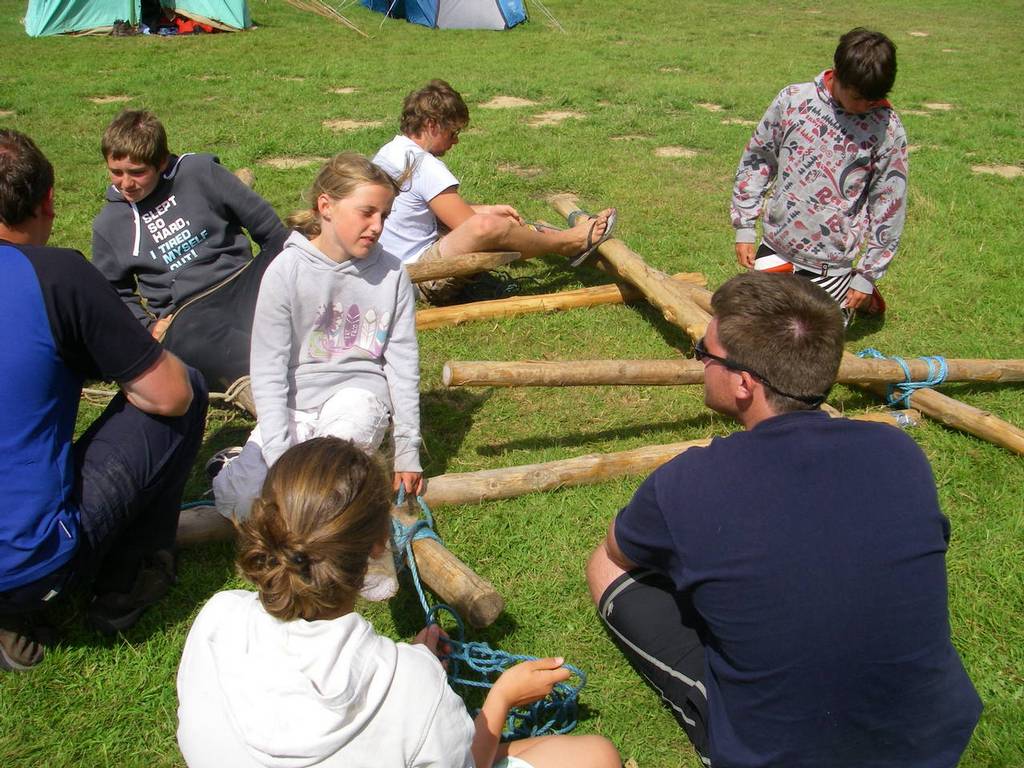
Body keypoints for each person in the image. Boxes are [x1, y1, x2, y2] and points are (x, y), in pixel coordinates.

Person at [586, 272, 982, 766]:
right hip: (936, 737)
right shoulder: (898, 451)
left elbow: (618, 549)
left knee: (606, 565)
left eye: (704, 354)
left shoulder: (689, 482)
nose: (701, 364)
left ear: (744, 382)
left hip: (781, 754)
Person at [179, 437, 621, 768]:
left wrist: (410, 663)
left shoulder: (218, 619)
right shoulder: (413, 690)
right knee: (595, 756)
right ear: (377, 545)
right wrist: (501, 699)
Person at [0, 130, 208, 668]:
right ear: (47, 202)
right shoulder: (57, 277)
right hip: (28, 566)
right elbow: (167, 394)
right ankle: (126, 576)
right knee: (187, 386)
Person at [212, 153, 422, 536]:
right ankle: (233, 468)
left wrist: (407, 448)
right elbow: (269, 369)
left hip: (357, 396)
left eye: (384, 216)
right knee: (245, 503)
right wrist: (278, 460)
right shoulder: (286, 271)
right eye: (366, 212)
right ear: (326, 206)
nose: (377, 227)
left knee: (328, 484)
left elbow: (403, 364)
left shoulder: (391, 274)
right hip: (297, 402)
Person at [92, 109, 289, 392]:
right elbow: (113, 292)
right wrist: (148, 328)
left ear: (160, 162)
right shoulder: (109, 224)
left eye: (137, 173)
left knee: (298, 242)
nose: (126, 183)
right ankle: (265, 378)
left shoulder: (199, 172)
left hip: (240, 282)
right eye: (116, 172)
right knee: (199, 345)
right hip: (189, 312)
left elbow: (271, 231)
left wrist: (286, 270)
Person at [373, 79, 616, 303]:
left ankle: (553, 237)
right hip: (420, 276)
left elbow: (420, 210)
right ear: (431, 125)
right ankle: (568, 242)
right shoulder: (425, 165)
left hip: (391, 268)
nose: (455, 141)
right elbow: (474, 229)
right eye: (452, 132)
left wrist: (488, 210)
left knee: (490, 220)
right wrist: (494, 223)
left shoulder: (390, 151)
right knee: (486, 227)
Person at [731, 28, 908, 322]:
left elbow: (889, 206)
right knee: (760, 327)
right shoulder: (793, 100)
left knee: (812, 340)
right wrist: (744, 226)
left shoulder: (887, 128)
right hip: (778, 247)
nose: (866, 106)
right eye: (858, 98)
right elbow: (758, 159)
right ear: (837, 75)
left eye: (874, 100)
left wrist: (867, 275)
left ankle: (858, 299)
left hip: (831, 262)